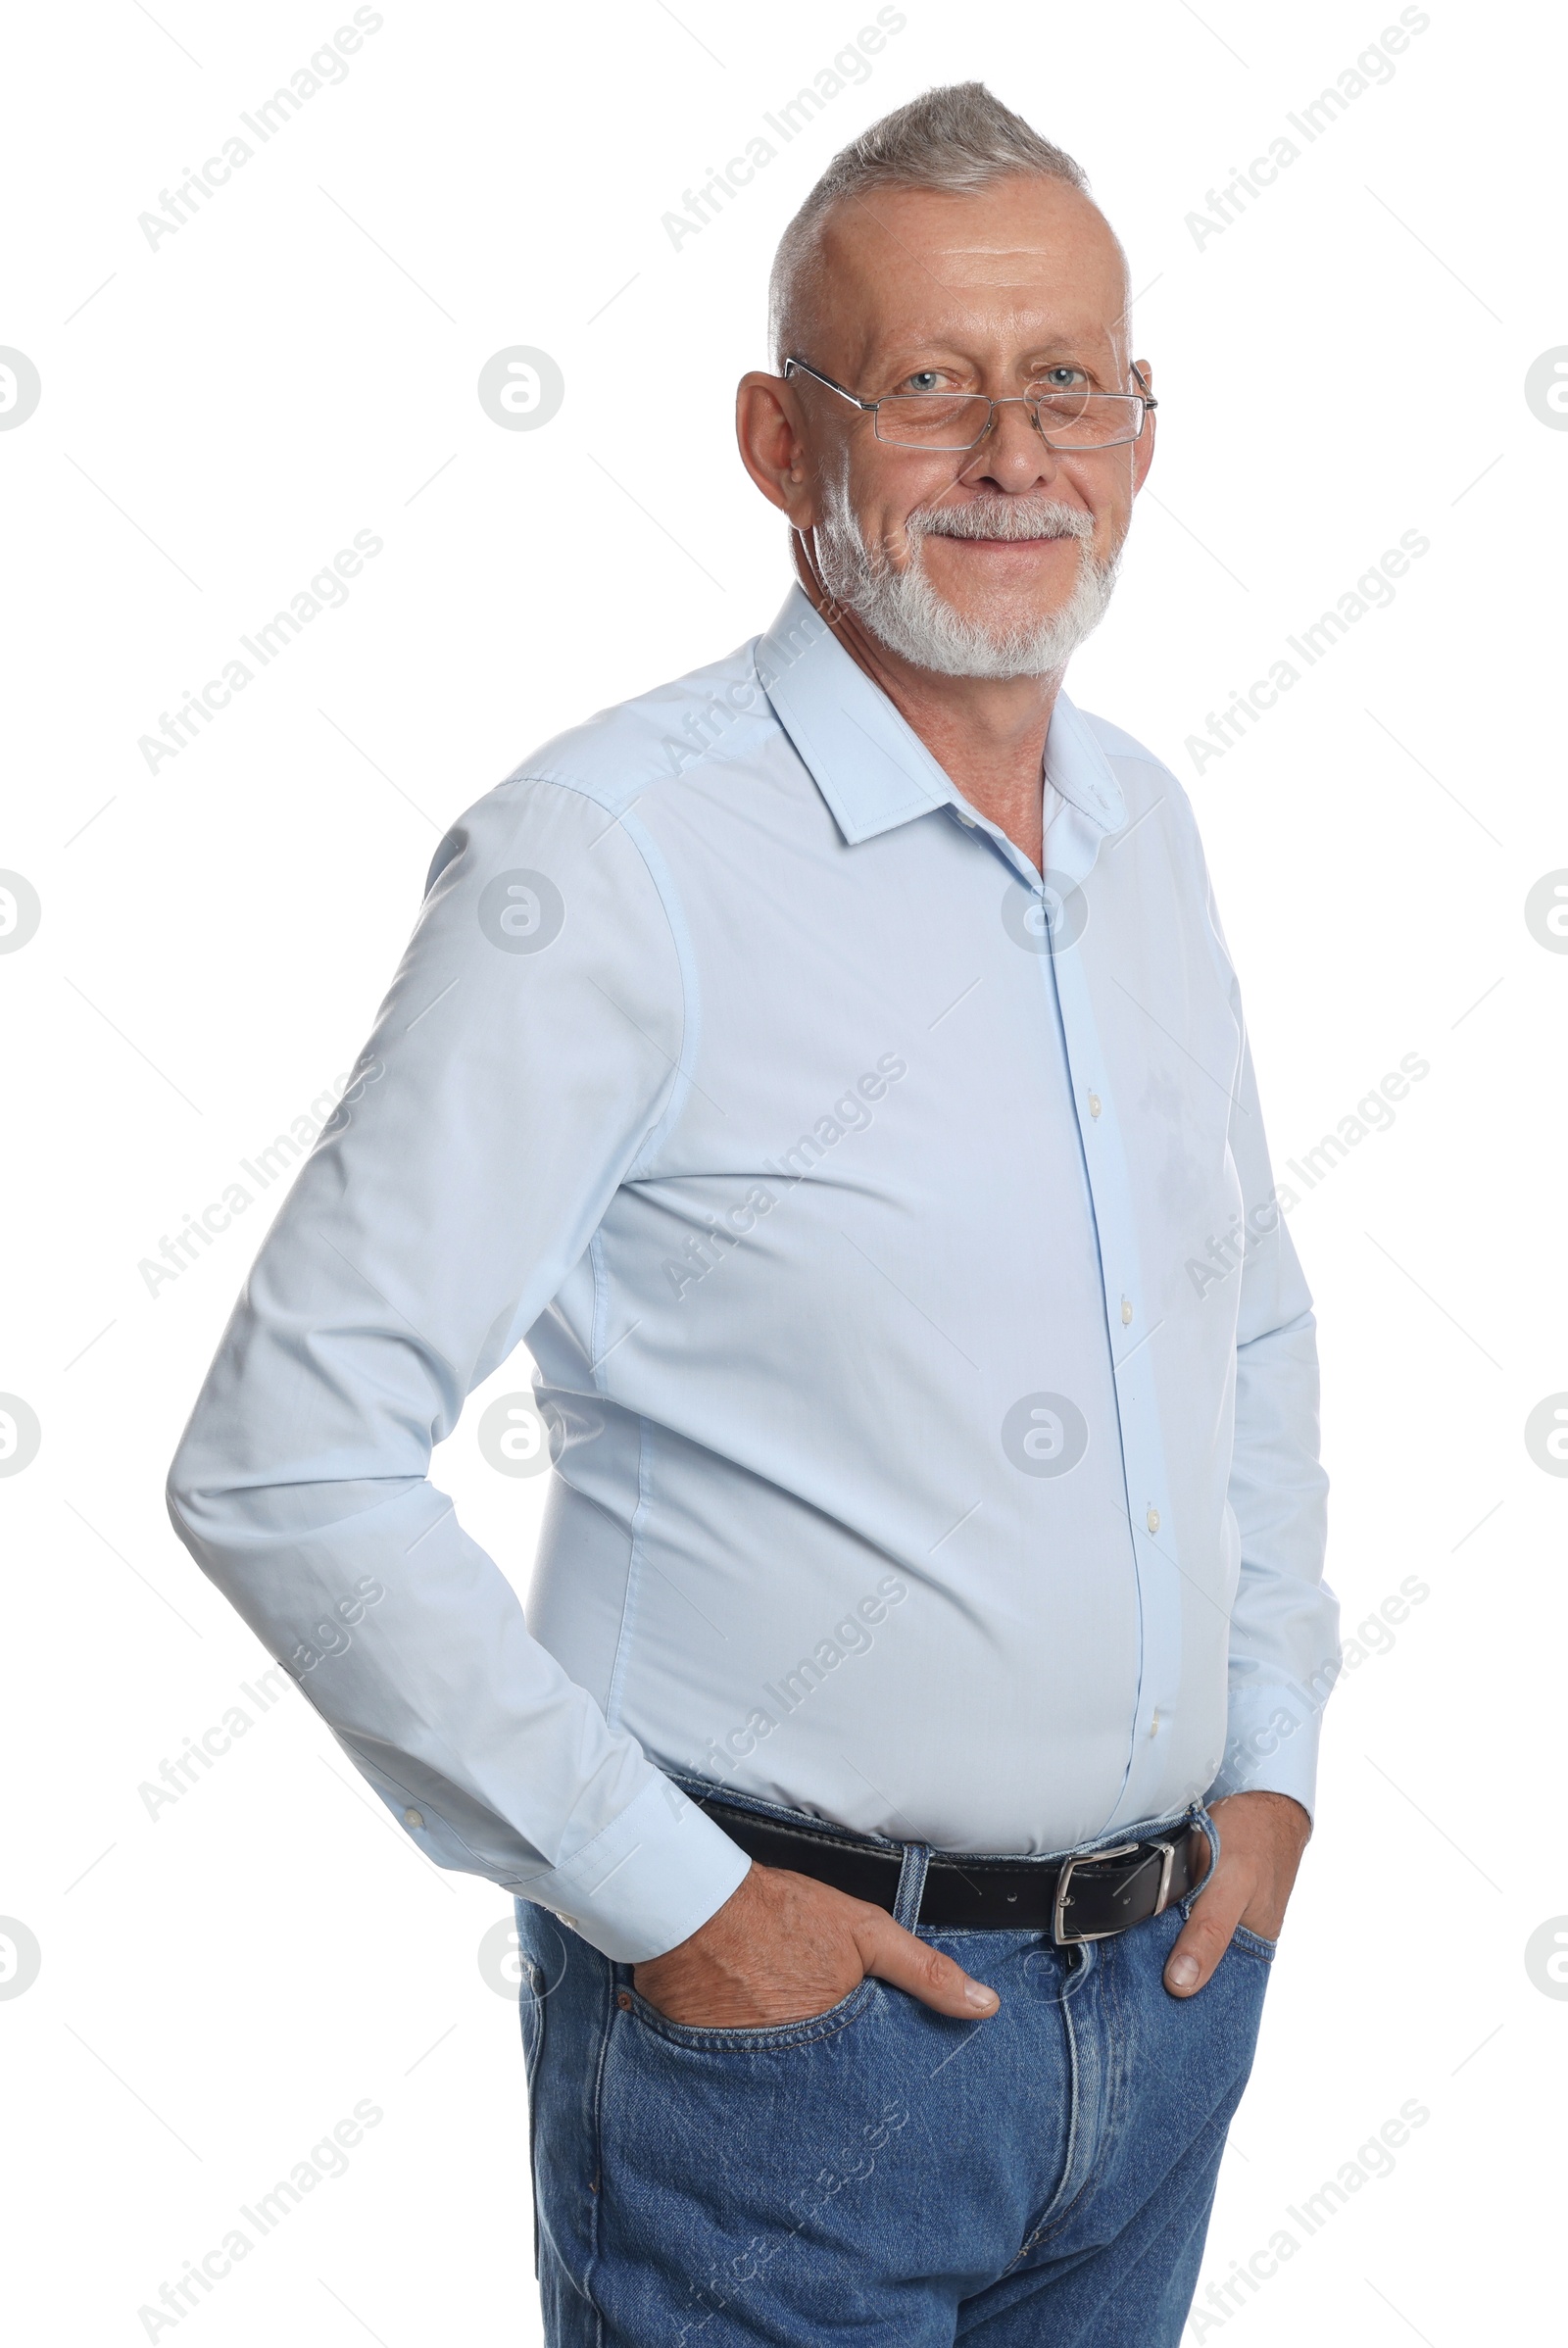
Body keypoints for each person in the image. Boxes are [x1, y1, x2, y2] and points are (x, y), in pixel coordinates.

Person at [169, 80, 1337, 2348]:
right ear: (776, 442)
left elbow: (1247, 1322)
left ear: (1141, 425)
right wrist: (677, 1907)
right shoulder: (608, 861)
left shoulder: (1145, 827)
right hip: (787, 2055)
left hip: (1167, 2005)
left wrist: (1269, 1750)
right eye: (926, 386)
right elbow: (283, 1458)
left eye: (1066, 381)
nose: (1015, 450)